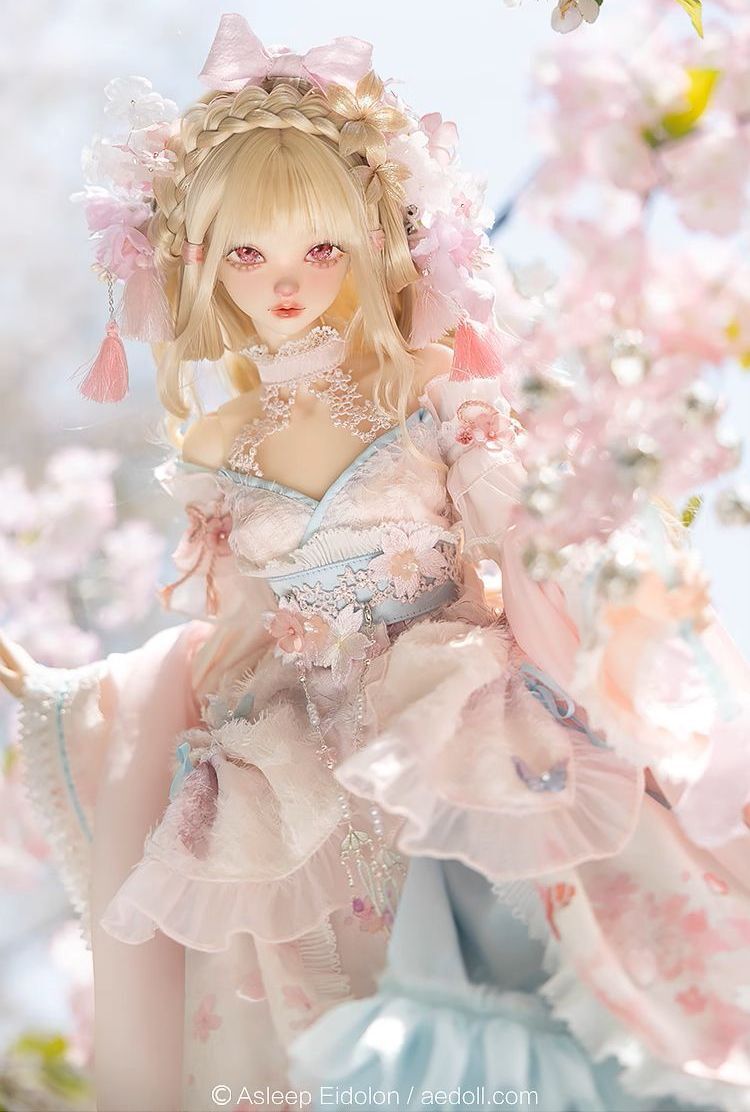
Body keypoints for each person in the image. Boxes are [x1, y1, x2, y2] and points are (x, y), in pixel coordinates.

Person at [2, 14, 750, 1112]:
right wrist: (77, 695)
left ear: (368, 248)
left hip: (454, 718)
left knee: (517, 983)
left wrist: (597, 606)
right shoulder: (216, 448)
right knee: (322, 1024)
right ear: (198, 262)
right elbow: (224, 642)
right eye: (248, 254)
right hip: (305, 767)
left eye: (319, 249)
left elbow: (527, 536)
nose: (285, 283)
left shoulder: (423, 387)